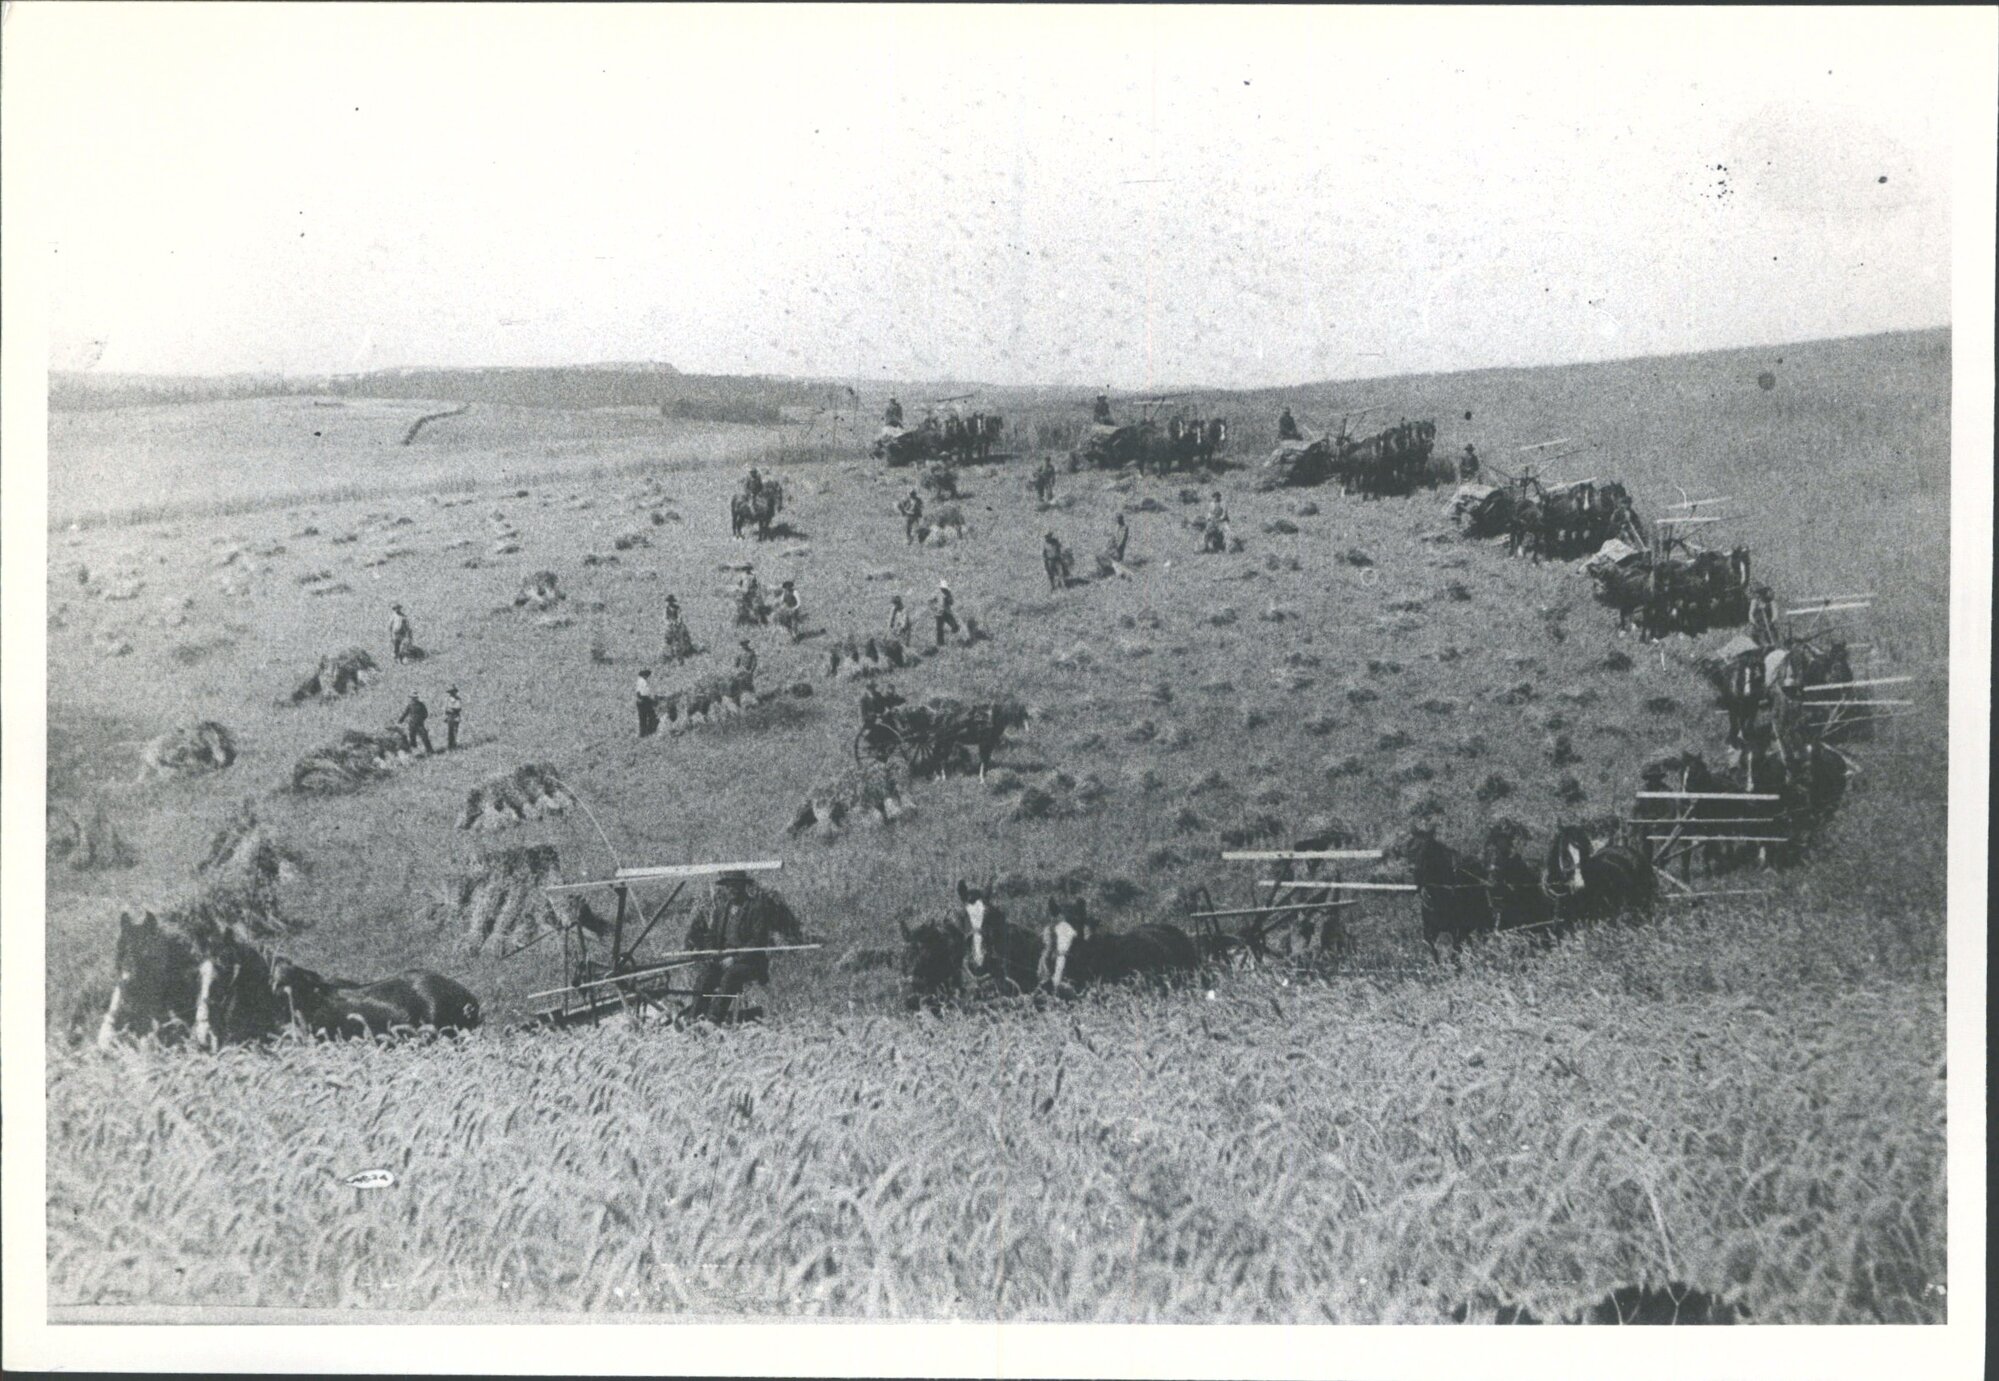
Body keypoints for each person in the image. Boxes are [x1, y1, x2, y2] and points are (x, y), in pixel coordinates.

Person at [1725, 648, 1765, 747]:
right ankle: (1738, 738)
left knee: (1750, 717)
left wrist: (1758, 677)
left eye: (1746, 656)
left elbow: (1761, 680)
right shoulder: (1736, 669)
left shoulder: (1757, 666)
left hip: (1752, 696)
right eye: (1741, 657)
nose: (1743, 659)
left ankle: (1748, 736)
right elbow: (1733, 683)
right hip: (1740, 697)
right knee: (1741, 718)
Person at [661, 595, 696, 662]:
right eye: (669, 601)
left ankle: (685, 650)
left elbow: (680, 616)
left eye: (671, 601)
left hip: (677, 624)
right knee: (667, 638)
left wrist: (677, 621)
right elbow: (665, 618)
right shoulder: (666, 609)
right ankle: (668, 653)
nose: (669, 603)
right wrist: (669, 622)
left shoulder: (677, 608)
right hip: (669, 625)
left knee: (684, 634)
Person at [932, 578, 961, 647]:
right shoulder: (936, 593)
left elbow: (952, 602)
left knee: (955, 626)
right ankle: (940, 643)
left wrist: (948, 599)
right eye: (942, 588)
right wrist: (934, 608)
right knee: (939, 629)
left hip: (947, 613)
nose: (943, 590)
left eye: (944, 588)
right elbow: (930, 602)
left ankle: (953, 636)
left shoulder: (948, 593)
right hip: (939, 613)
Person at [635, 669, 659, 738]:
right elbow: (644, 693)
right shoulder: (643, 682)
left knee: (643, 718)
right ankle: (649, 732)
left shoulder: (639, 681)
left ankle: (643, 733)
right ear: (645, 675)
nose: (648, 677)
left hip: (641, 701)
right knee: (650, 716)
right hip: (644, 701)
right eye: (647, 675)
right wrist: (651, 700)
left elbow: (639, 693)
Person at [443, 686, 463, 751]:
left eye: (453, 692)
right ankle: (450, 745)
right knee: (450, 731)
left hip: (455, 716)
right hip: (449, 716)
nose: (452, 693)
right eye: (451, 692)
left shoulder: (458, 699)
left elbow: (458, 708)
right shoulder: (447, 699)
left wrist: (451, 708)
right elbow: (445, 708)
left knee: (455, 731)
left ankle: (454, 745)